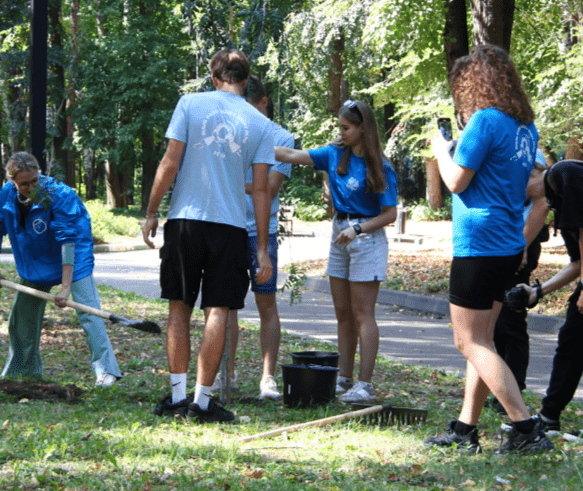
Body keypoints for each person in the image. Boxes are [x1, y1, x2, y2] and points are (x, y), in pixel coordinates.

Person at [423, 44, 552, 454]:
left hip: (478, 242)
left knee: (469, 342)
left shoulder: (484, 121)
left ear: (473, 83)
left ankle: (526, 427)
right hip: (508, 242)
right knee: (484, 340)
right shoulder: (524, 127)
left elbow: (457, 182)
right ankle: (465, 429)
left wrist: (442, 149)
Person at [142, 49, 276, 423]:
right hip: (231, 226)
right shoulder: (260, 123)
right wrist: (262, 249)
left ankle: (176, 397)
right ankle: (201, 403)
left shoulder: (190, 103)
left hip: (185, 220)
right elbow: (262, 190)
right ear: (246, 80)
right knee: (218, 310)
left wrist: (152, 212)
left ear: (214, 78)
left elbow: (170, 161)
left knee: (179, 307)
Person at [275, 98, 398, 403]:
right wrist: (254, 146)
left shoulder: (380, 165)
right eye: (339, 127)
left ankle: (365, 384)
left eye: (346, 127)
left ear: (362, 128)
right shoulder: (334, 155)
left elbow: (390, 214)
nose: (340, 132)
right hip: (338, 233)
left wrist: (357, 229)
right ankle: (344, 378)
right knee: (343, 313)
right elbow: (291, 154)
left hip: (365, 238)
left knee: (362, 313)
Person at [0, 152, 122, 387]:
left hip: (73, 254)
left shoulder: (59, 194)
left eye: (34, 181)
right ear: (12, 182)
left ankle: (106, 371)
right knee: (22, 316)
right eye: (23, 184)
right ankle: (23, 371)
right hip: (36, 255)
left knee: (89, 313)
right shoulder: (7, 195)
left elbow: (68, 242)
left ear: (40, 175)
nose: (30, 187)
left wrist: (66, 287)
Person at [516, 159, 583, 442]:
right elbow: (577, 260)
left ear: (533, 174)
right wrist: (539, 292)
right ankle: (549, 417)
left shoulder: (563, 174)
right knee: (571, 342)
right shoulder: (557, 196)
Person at [215, 75, 295, 401]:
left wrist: (230, 179)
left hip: (263, 232)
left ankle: (268, 379)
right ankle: (227, 374)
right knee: (228, 306)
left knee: (266, 304)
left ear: (263, 103)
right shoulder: (230, 133)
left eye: (248, 107)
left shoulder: (282, 137)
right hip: (230, 228)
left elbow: (271, 187)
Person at [488, 153, 550, 413]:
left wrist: (522, 246)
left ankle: (514, 389)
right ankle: (501, 387)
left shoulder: (528, 151)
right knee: (497, 322)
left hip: (522, 239)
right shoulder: (502, 143)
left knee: (511, 319)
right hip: (501, 241)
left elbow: (541, 203)